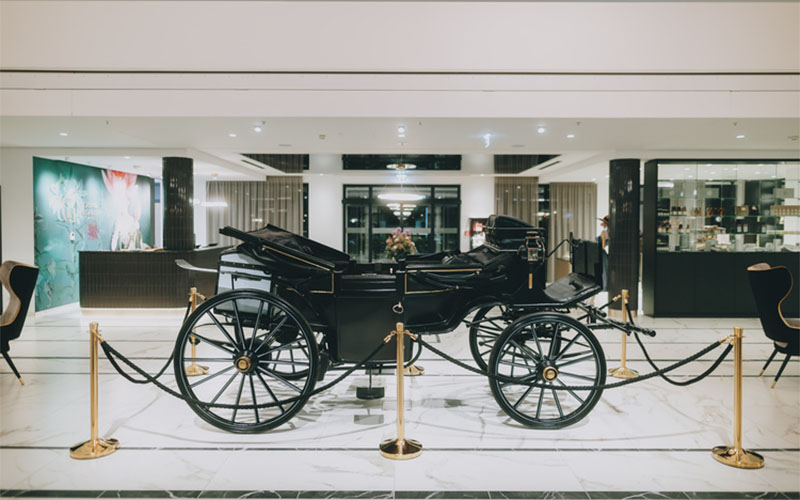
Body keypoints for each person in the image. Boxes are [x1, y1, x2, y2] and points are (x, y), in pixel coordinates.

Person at [598, 215, 610, 290]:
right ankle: (605, 285)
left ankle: (603, 286)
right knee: (605, 269)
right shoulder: (610, 233)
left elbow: (602, 246)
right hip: (604, 253)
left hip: (601, 252)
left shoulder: (604, 233)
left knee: (603, 269)